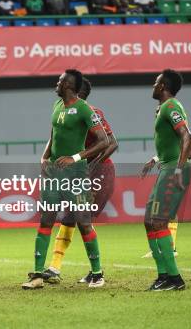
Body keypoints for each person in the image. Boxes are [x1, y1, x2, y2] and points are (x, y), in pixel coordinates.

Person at [22, 69, 109, 290]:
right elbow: (53, 134)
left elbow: (104, 141)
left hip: (76, 175)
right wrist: (44, 156)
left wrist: (76, 157)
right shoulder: (57, 106)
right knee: (46, 221)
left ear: (69, 85)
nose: (56, 83)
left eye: (60, 80)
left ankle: (97, 274)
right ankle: (38, 276)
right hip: (54, 174)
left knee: (84, 222)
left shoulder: (84, 109)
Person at [42, 78, 118, 285]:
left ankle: (95, 272)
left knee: (80, 219)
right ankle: (55, 267)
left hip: (99, 172)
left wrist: (93, 165)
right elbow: (54, 135)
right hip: (77, 172)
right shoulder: (63, 111)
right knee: (69, 216)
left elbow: (112, 143)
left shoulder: (91, 112)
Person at [140, 69, 191, 291]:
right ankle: (163, 275)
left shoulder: (171, 106)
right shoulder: (164, 108)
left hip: (173, 170)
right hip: (167, 167)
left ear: (163, 86)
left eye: (155, 83)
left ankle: (174, 279)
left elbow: (187, 136)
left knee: (159, 222)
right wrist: (156, 158)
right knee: (149, 220)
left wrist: (177, 171)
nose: (153, 86)